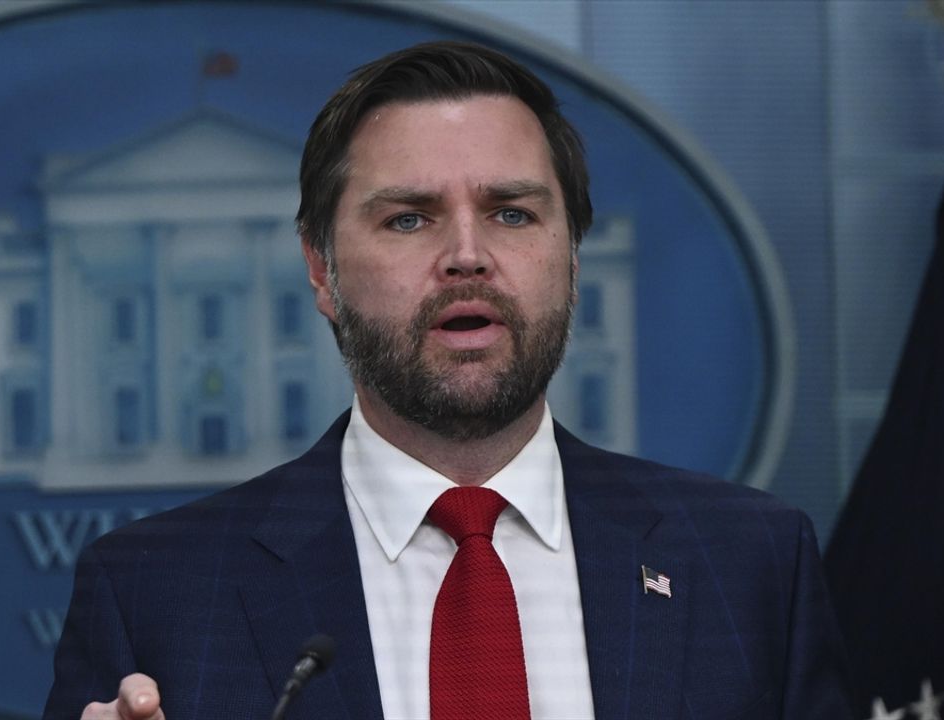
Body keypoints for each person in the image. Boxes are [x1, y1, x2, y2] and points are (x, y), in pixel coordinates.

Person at [44, 41, 853, 720]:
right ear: (321, 270)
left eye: (512, 213)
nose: (468, 256)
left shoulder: (750, 564)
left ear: (572, 260)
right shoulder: (153, 594)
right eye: (409, 218)